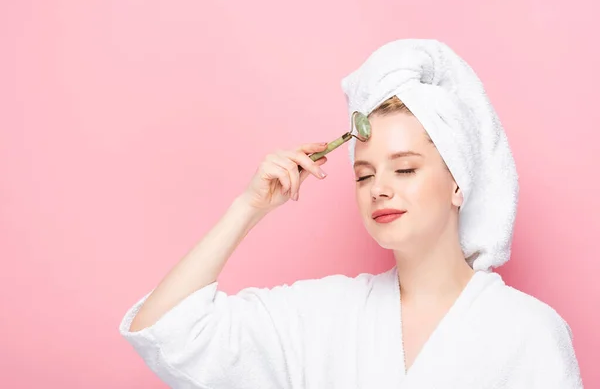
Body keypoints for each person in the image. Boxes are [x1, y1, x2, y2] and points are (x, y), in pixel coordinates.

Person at [119, 39, 583, 388]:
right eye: (363, 175)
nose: (379, 189)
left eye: (404, 169)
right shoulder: (324, 316)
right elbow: (168, 331)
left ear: (458, 181)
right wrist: (248, 208)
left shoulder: (528, 332)